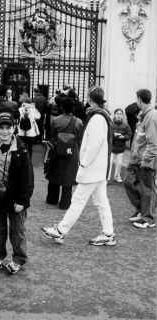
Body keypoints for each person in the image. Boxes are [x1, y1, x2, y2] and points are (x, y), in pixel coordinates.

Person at [42, 86, 116, 246]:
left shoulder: (97, 118)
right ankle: (108, 232)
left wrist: (84, 162)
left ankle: (61, 230)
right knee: (101, 202)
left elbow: (94, 145)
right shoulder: (103, 116)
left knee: (78, 201)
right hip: (98, 168)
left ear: (90, 99)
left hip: (92, 168)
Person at [0, 112, 34, 274]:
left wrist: (22, 201)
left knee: (17, 230)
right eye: (1, 127)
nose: (4, 131)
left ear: (14, 128)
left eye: (8, 128)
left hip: (15, 198)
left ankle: (19, 258)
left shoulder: (22, 150)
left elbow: (27, 179)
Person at [124, 89, 157, 229]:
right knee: (128, 181)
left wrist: (148, 161)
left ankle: (148, 218)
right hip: (137, 158)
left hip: (145, 160)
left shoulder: (151, 116)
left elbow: (153, 142)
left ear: (139, 100)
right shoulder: (144, 114)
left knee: (147, 188)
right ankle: (142, 209)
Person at [45, 97, 83, 210]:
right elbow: (80, 139)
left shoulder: (55, 120)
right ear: (73, 108)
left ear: (61, 107)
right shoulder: (78, 122)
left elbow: (52, 135)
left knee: (54, 173)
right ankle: (65, 203)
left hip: (57, 150)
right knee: (68, 177)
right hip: (72, 152)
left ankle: (52, 199)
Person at [108, 108, 132, 183]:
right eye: (117, 114)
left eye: (120, 114)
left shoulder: (126, 126)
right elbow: (107, 134)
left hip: (120, 148)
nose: (119, 115)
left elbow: (129, 134)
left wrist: (124, 137)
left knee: (119, 163)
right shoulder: (110, 124)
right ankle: (107, 178)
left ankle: (117, 177)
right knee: (109, 163)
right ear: (114, 115)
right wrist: (112, 135)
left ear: (122, 116)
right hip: (111, 147)